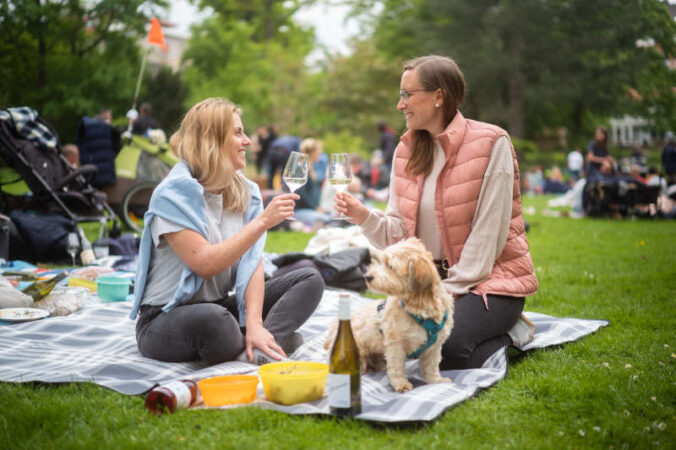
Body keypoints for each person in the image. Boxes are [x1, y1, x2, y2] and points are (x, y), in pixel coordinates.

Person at [334, 55, 538, 370]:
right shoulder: (405, 150)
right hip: (430, 283)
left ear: (438, 96)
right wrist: (364, 216)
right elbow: (400, 237)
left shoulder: (492, 143)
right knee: (386, 343)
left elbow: (488, 239)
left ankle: (514, 332)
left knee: (447, 349)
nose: (400, 105)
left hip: (489, 283)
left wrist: (439, 296)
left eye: (407, 94)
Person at [129, 98, 324, 365]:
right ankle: (269, 342)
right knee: (216, 323)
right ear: (211, 139)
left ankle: (260, 342)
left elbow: (252, 262)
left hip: (219, 306)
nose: (248, 141)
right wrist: (262, 223)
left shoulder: (247, 192)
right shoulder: (172, 194)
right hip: (165, 318)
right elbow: (205, 263)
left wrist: (254, 323)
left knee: (309, 278)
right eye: (237, 133)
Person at [293, 138, 331, 229]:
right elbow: (300, 195)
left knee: (330, 216)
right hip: (300, 210)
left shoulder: (310, 168)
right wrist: (315, 208)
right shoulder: (301, 169)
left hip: (311, 209)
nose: (320, 154)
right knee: (325, 218)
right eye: (319, 152)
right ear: (312, 153)